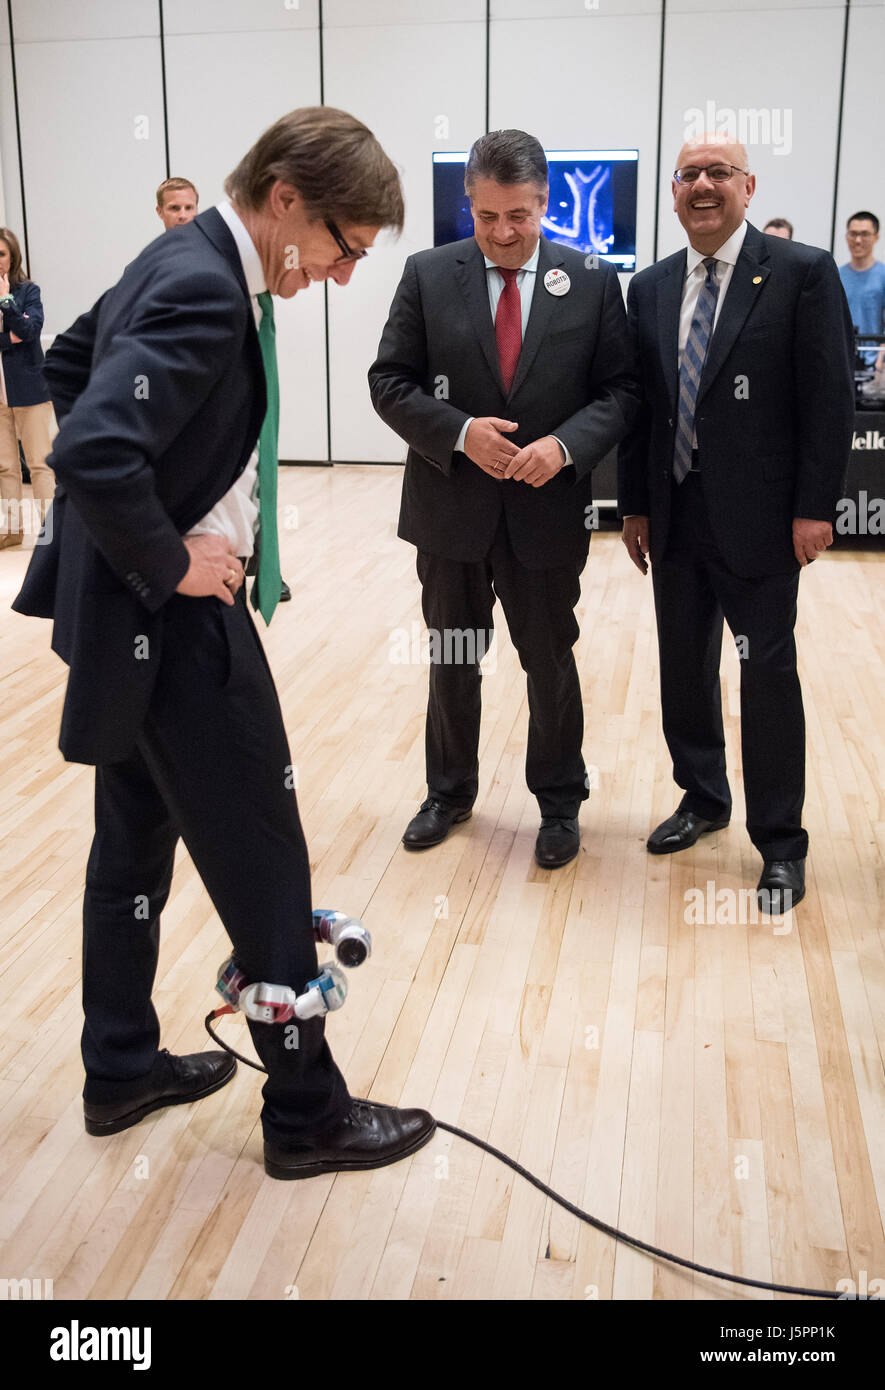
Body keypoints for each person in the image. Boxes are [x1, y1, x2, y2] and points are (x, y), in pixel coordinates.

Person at [12, 106, 435, 1180]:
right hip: (175, 625)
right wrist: (171, 553)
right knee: (263, 856)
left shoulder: (184, 253)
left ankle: (119, 1067)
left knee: (133, 852)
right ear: (286, 199)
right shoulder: (207, 284)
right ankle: (305, 1115)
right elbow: (99, 444)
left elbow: (69, 362)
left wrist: (161, 510)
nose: (341, 275)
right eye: (342, 247)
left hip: (124, 630)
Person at [370, 129, 638, 870]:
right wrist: (457, 432)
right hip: (449, 511)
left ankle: (558, 802)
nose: (501, 233)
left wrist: (563, 447)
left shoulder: (590, 280)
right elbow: (388, 381)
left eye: (517, 215)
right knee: (452, 657)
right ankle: (448, 792)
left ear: (544, 201)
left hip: (545, 512)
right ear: (469, 205)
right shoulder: (427, 275)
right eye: (486, 217)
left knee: (548, 659)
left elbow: (621, 392)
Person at [619, 134, 855, 911]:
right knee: (683, 671)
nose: (703, 185)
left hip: (760, 526)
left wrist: (815, 507)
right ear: (673, 191)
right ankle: (702, 799)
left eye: (719, 172)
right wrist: (637, 504)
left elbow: (828, 401)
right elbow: (641, 410)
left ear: (747, 186)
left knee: (765, 677)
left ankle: (780, 843)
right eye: (688, 174)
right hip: (677, 520)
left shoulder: (800, 273)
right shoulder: (649, 288)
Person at [0, 227, 56, 547]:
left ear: (13, 256)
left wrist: (6, 302)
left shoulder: (27, 291)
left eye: (2, 254)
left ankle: (50, 533)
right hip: (0, 394)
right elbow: (17, 335)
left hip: (30, 390)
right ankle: (10, 530)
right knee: (5, 466)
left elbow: (30, 330)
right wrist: (8, 339)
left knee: (38, 463)